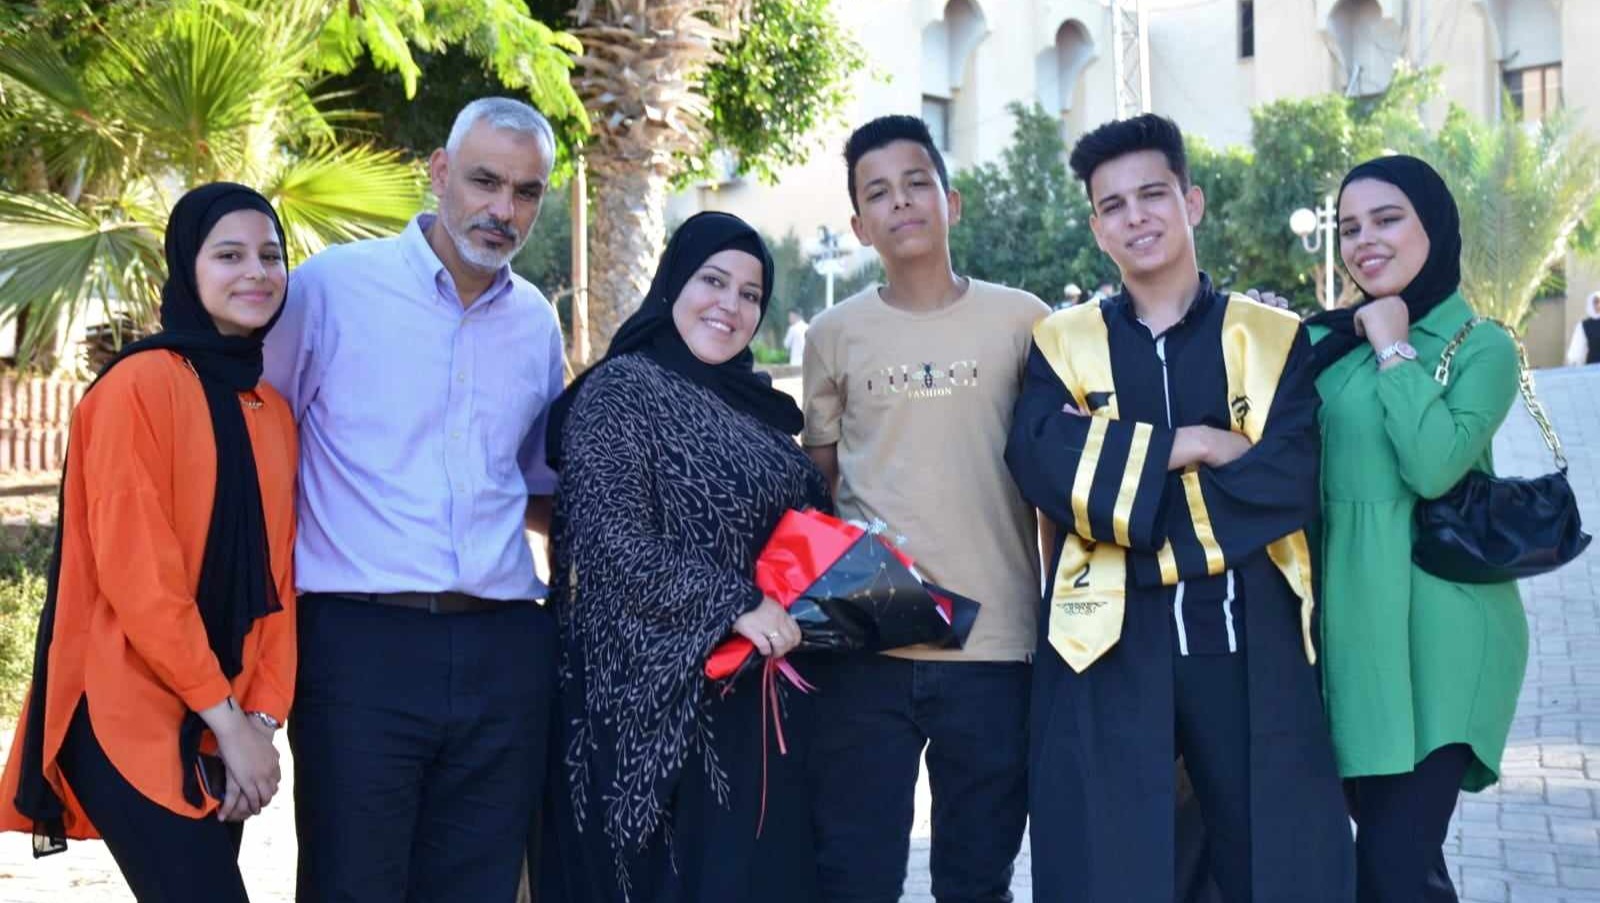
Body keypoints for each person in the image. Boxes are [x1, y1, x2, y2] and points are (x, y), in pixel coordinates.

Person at [1005, 113, 1354, 902]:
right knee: (1117, 865)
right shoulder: (1063, 343)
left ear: (1191, 201)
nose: (1136, 216)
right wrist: (1194, 443)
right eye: (1114, 205)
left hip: (1249, 643)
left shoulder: (1269, 338)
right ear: (1097, 229)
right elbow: (1042, 463)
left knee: (1273, 860)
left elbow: (1284, 481)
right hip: (1108, 645)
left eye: (1153, 194)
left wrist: (1117, 477)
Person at [262, 97, 564, 901]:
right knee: (352, 884)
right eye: (485, 181)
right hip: (360, 645)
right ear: (439, 172)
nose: (503, 210)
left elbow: (538, 488)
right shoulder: (331, 289)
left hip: (504, 645)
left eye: (526, 192)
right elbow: (259, 445)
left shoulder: (536, 323)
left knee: (477, 887)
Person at [0, 183, 298, 902]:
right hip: (124, 703)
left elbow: (280, 578)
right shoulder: (134, 387)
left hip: (224, 716)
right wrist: (228, 721)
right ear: (187, 267)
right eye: (229, 255)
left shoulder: (271, 409)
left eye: (271, 255)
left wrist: (260, 721)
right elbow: (141, 580)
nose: (256, 272)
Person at [538, 210, 827, 902]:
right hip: (646, 711)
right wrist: (736, 602)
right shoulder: (620, 391)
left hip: (754, 711)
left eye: (751, 294)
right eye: (713, 281)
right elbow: (612, 541)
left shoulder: (758, 410)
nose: (730, 305)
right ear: (673, 282)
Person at [802, 114, 1048, 902]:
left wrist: (1053, 619)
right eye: (878, 192)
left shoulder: (1024, 320)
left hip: (995, 646)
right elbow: (821, 488)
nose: (901, 201)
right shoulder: (833, 333)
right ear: (858, 224)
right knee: (855, 876)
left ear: (952, 201)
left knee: (977, 879)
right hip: (867, 646)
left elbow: (1051, 480)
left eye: (917, 183)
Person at [1307, 155, 1528, 902]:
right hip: (1351, 632)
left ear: (1433, 224)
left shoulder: (1481, 344)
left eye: (1387, 218)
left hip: (1443, 637)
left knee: (1396, 862)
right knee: (1384, 868)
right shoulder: (1326, 347)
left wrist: (1393, 348)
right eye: (1349, 228)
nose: (1364, 240)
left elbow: (1433, 466)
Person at [1563, 290, 1600, 366]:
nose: (1598, 305)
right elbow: (1577, 347)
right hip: (1593, 366)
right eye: (1596, 302)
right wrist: (1575, 363)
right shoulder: (1584, 325)